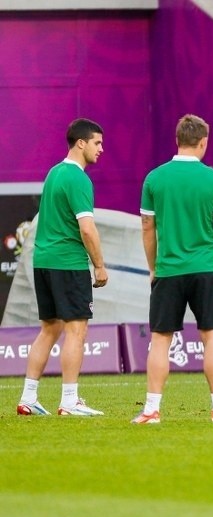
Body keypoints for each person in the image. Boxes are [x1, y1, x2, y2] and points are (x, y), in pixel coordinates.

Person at [132, 114, 213, 423]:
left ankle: (151, 409)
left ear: (176, 140)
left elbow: (147, 228)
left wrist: (153, 268)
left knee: (160, 340)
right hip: (207, 268)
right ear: (203, 142)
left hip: (168, 270)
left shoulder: (154, 178)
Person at [16, 118, 108, 417]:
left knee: (49, 329)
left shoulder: (54, 173)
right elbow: (87, 229)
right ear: (81, 143)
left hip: (43, 261)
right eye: (97, 142)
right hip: (68, 263)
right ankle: (69, 401)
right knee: (77, 330)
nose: (101, 149)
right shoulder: (78, 178)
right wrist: (100, 266)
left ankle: (28, 398)